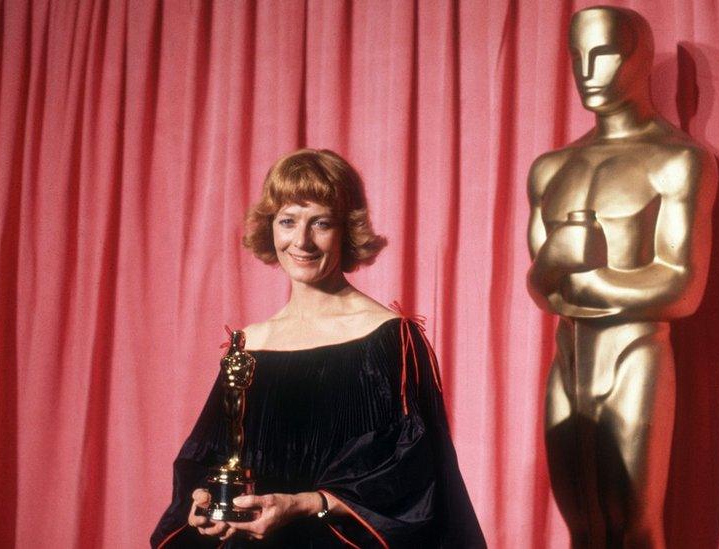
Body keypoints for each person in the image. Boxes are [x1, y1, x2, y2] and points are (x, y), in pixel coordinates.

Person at [151, 148, 485, 548]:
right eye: (288, 221)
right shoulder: (249, 345)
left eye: (320, 223)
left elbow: (412, 477)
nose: (301, 241)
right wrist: (202, 501)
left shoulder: (389, 340)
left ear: (347, 230)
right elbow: (208, 458)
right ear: (270, 227)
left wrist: (306, 504)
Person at [526, 7, 716, 548]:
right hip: (569, 355)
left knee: (634, 524)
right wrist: (554, 260)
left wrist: (580, 279)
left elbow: (682, 286)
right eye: (577, 56)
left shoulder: (677, 160)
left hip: (636, 351)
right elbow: (541, 288)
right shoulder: (551, 167)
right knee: (582, 526)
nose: (589, 70)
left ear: (639, 60)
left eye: (605, 53)